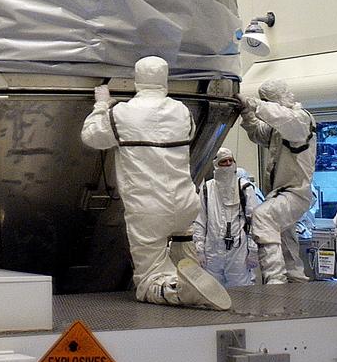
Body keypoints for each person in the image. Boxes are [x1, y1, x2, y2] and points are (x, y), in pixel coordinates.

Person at [81, 56, 231, 309]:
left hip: (148, 209)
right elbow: (189, 135)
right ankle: (192, 278)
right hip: (185, 204)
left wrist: (101, 106)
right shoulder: (182, 111)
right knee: (184, 258)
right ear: (165, 78)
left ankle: (179, 291)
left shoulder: (122, 113)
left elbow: (91, 136)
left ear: (137, 80)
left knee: (149, 278)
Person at [238, 79, 317, 283]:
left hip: (295, 193)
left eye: (269, 100)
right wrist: (246, 113)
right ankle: (296, 285)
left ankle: (274, 283)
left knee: (264, 217)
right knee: (288, 250)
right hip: (278, 193)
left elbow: (284, 119)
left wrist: (256, 104)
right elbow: (257, 132)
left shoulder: (301, 120)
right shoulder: (277, 129)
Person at [193, 147, 261, 286]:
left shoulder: (245, 188)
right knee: (212, 290)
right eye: (224, 161)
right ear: (216, 164)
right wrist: (199, 249)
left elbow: (254, 221)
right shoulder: (207, 189)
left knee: (241, 292)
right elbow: (200, 222)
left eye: (231, 161)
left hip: (238, 252)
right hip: (212, 251)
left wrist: (253, 249)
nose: (228, 164)